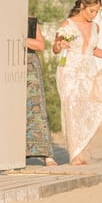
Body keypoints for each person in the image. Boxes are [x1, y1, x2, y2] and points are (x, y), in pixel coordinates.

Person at [53, 0, 102, 165]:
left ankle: (82, 148)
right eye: (91, 11)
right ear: (83, 6)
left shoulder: (95, 27)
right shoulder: (67, 25)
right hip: (69, 71)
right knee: (72, 109)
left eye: (97, 12)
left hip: (88, 71)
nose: (94, 15)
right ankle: (75, 154)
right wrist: (60, 45)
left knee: (94, 108)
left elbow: (92, 49)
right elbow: (55, 48)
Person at [25, 16, 58, 166]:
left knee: (37, 109)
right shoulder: (1, 18)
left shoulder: (30, 20)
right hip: (9, 65)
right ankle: (18, 152)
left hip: (30, 66)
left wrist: (21, 40)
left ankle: (46, 153)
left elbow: (40, 45)